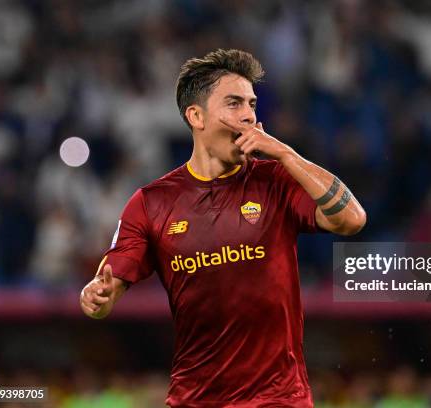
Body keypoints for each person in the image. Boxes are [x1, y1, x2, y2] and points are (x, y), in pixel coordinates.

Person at [79, 49, 366, 407]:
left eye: (252, 103)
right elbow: (106, 292)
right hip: (194, 400)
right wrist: (95, 295)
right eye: (234, 103)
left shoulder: (277, 179)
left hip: (278, 399)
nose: (248, 115)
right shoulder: (151, 203)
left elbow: (352, 219)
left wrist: (288, 155)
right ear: (196, 115)